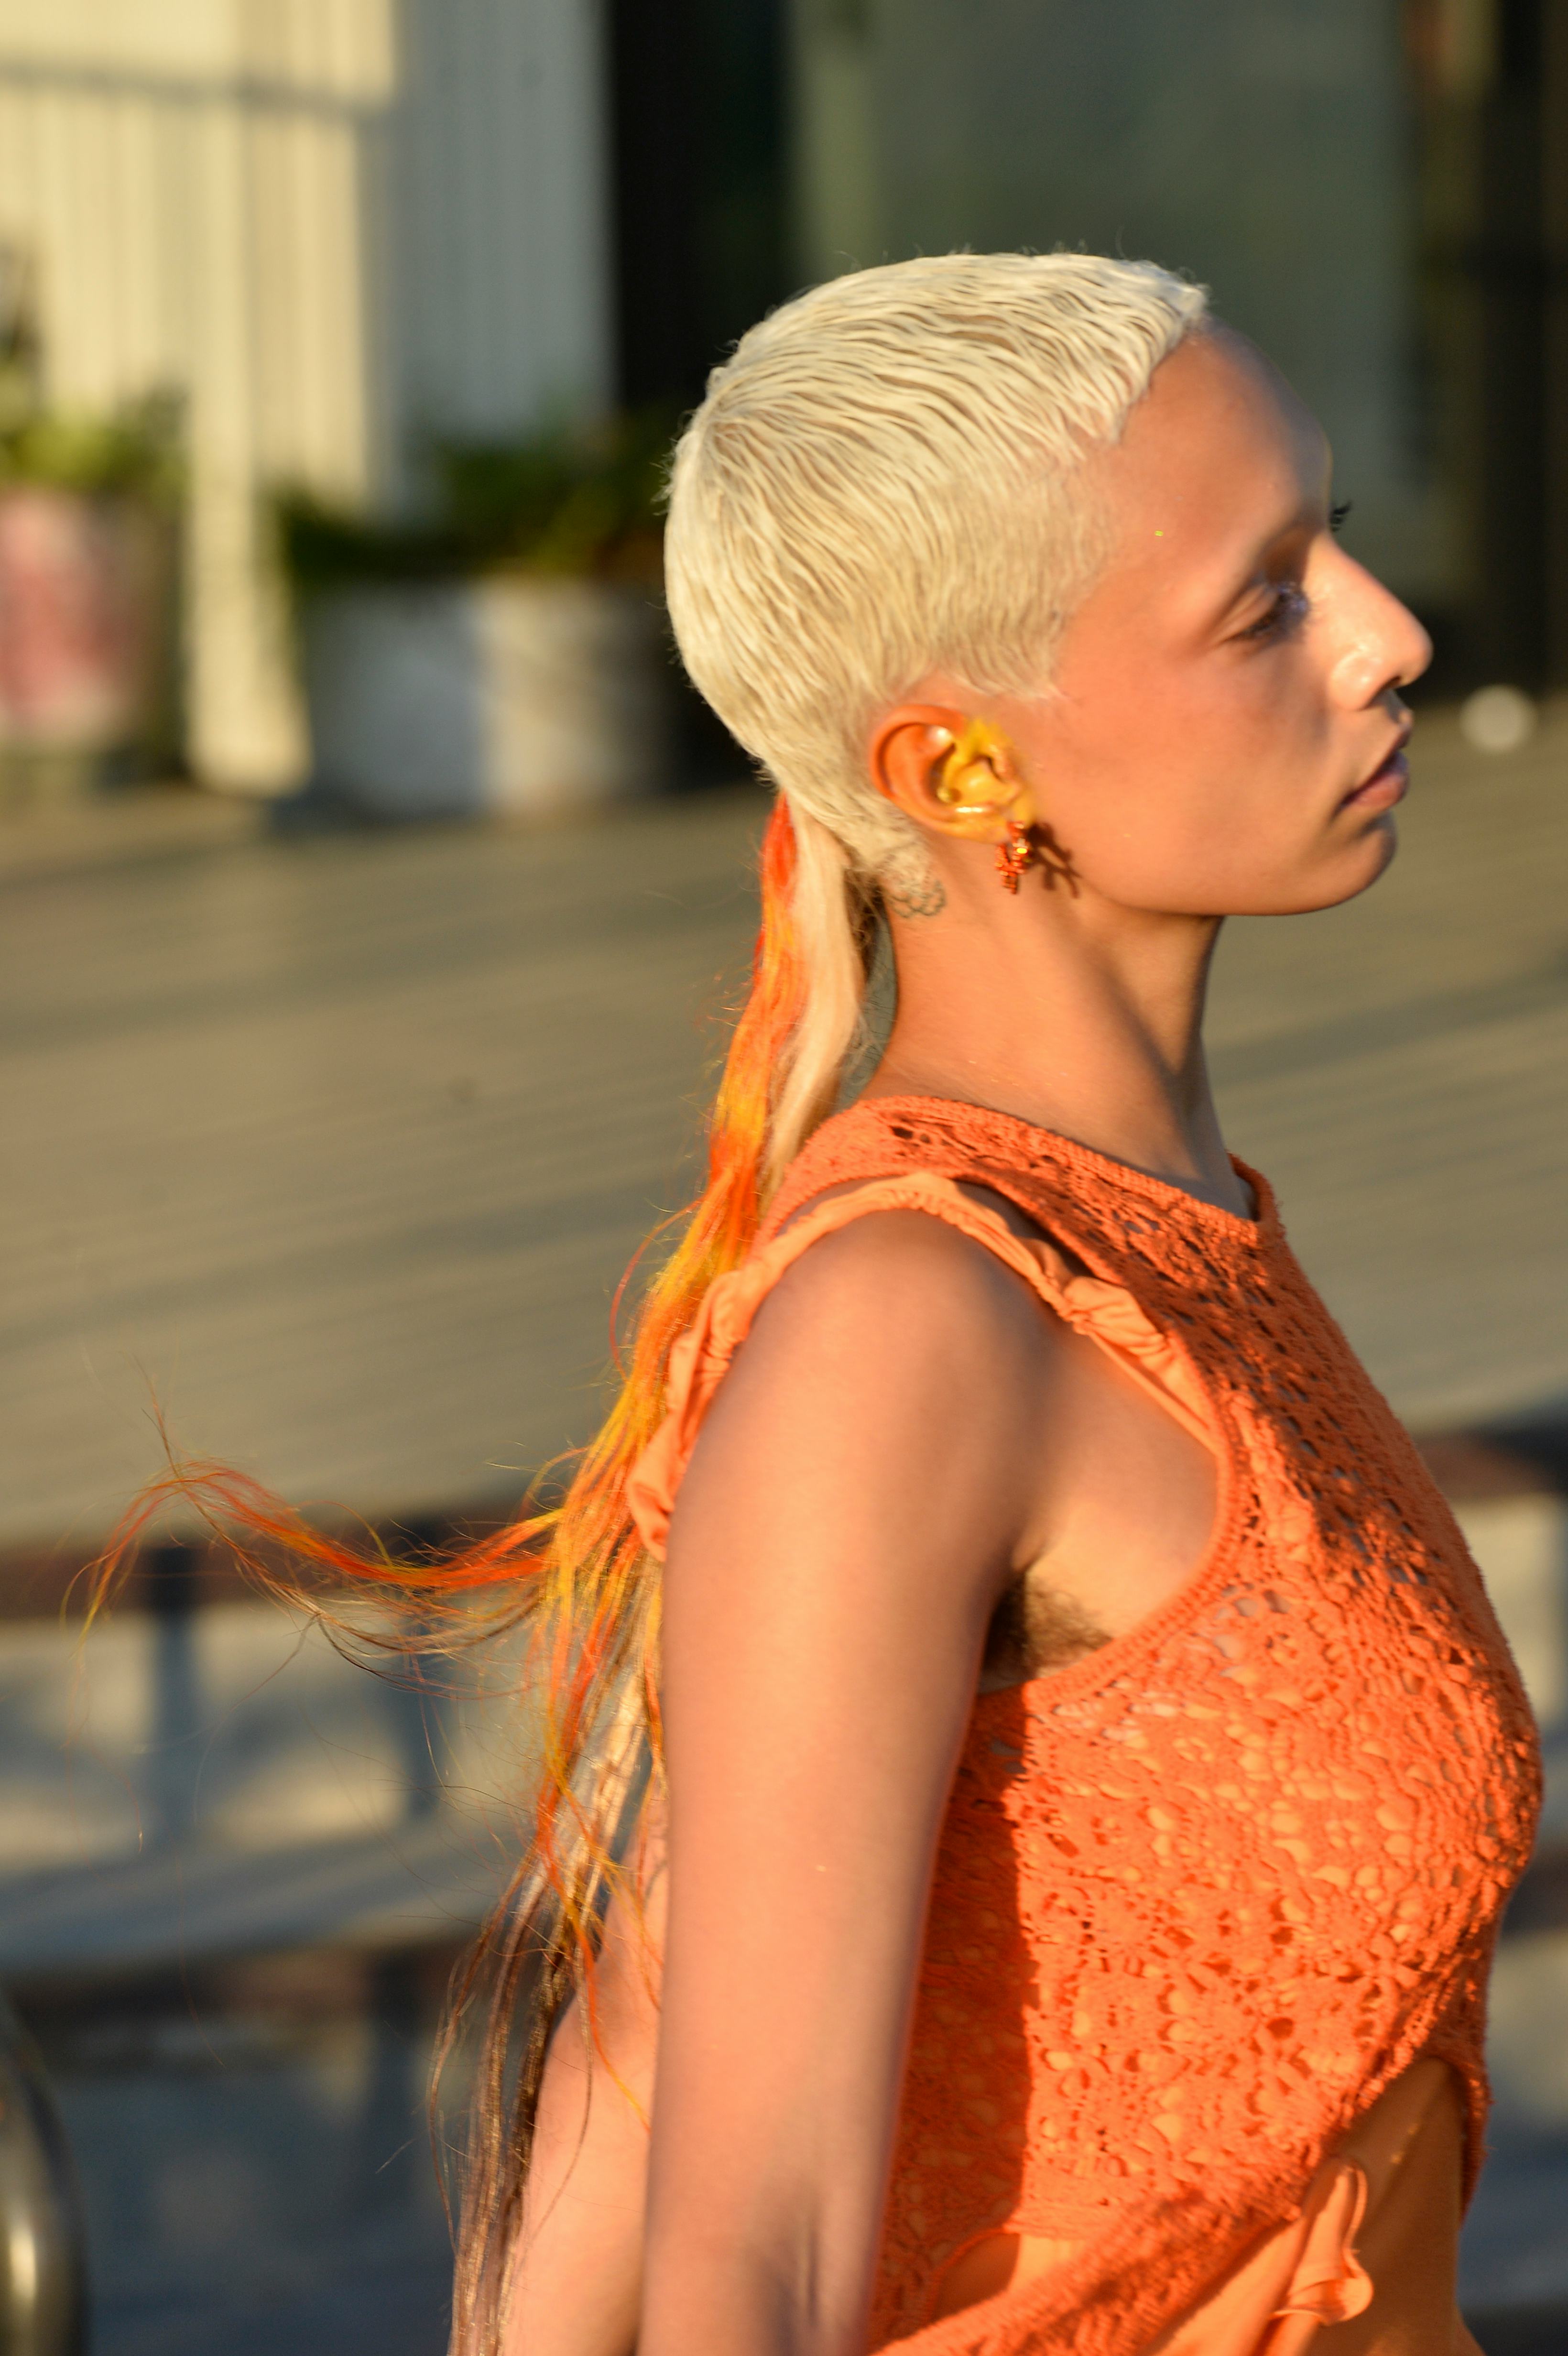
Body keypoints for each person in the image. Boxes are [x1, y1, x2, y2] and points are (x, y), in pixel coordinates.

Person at [115, 253, 1538, 2356]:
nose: (1390, 631)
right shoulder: (915, 1323)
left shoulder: (1163, 1234)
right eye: (1263, 603)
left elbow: (656, 1990)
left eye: (1331, 535)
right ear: (957, 773)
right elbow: (749, 2249)